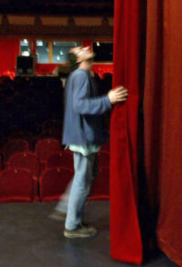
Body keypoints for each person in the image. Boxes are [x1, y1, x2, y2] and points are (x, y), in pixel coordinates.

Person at [57, 46, 128, 239]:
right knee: (83, 180)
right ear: (77, 59)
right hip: (82, 136)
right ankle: (72, 225)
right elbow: (79, 105)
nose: (85, 47)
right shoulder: (80, 75)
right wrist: (108, 99)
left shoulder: (81, 75)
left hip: (82, 135)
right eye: (80, 49)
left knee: (86, 177)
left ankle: (71, 215)